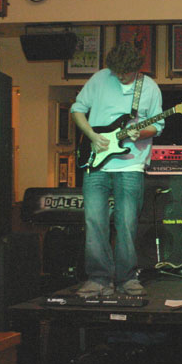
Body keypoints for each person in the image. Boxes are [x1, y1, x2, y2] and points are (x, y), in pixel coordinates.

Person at [71, 43, 164, 297]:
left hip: (131, 163)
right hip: (96, 161)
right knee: (94, 220)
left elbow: (158, 126)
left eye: (126, 72)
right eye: (117, 72)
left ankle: (127, 279)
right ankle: (98, 279)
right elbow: (77, 109)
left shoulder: (149, 87)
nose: (121, 76)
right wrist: (92, 135)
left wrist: (140, 133)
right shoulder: (100, 78)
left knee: (127, 222)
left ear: (136, 67)